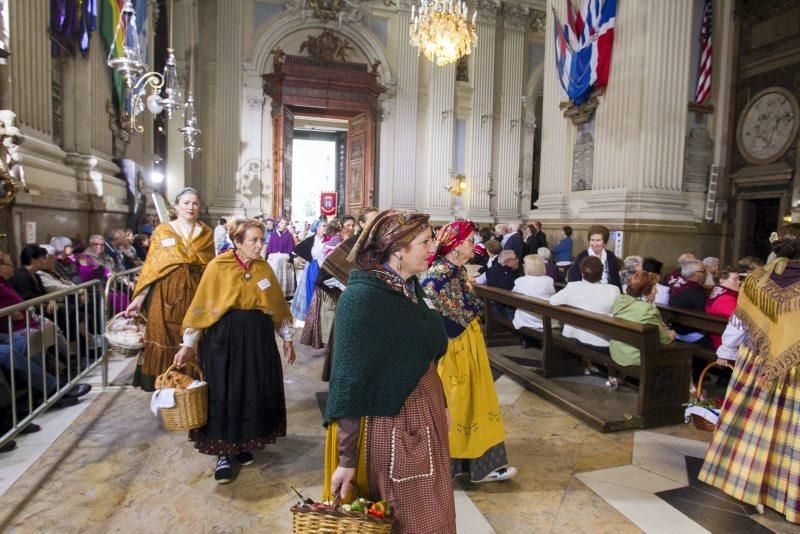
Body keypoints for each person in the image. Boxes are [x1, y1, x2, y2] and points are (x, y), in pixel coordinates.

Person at [325, 210, 456, 533]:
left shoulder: (409, 288)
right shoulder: (362, 299)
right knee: (409, 519)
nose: (432, 248)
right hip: (394, 422)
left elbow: (429, 347)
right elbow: (349, 383)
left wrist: (442, 405)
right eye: (425, 242)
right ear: (398, 249)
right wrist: (347, 458)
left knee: (434, 511)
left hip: (425, 413)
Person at [174, 218, 295, 484]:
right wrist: (188, 344)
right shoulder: (218, 266)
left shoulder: (263, 268)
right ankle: (223, 453)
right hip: (224, 339)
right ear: (237, 242)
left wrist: (286, 338)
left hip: (258, 339)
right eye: (253, 240)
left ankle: (242, 444)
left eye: (261, 239)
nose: (259, 245)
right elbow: (202, 306)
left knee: (252, 388)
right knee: (225, 390)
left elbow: (276, 305)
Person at [699, 224, 800, 524]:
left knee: (754, 425)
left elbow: (738, 324)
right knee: (789, 435)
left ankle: (746, 482)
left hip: (756, 364)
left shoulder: (756, 279)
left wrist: (725, 353)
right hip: (794, 372)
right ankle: (786, 495)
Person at [422, 221, 517, 484]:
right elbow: (438, 315)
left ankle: (481, 464)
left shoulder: (457, 270)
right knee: (459, 404)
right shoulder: (438, 274)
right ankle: (454, 466)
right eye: (467, 241)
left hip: (469, 344)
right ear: (454, 247)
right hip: (454, 350)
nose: (472, 245)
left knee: (478, 402)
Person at [125, 187, 215, 391]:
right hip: (164, 294)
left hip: (195, 292)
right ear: (176, 207)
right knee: (162, 336)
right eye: (186, 203)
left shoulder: (206, 234)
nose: (190, 207)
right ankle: (162, 384)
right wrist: (139, 298)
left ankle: (191, 384)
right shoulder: (162, 231)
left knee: (191, 334)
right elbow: (152, 267)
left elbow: (210, 267)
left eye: (195, 203)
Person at [608, 271, 675, 388]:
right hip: (636, 356)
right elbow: (664, 340)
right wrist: (671, 334)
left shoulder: (621, 300)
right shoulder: (648, 309)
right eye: (655, 288)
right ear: (646, 290)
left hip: (618, 350)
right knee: (681, 356)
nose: (657, 291)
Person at [550, 256, 620, 355]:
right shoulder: (613, 290)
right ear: (602, 272)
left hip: (576, 337)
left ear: (582, 273)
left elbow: (552, 301)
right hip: (603, 341)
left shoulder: (573, 286)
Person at [290, 219, 327, 321]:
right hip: (312, 268)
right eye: (323, 226)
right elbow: (296, 251)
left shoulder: (328, 239)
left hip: (325, 268)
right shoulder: (310, 240)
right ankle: (311, 313)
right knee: (310, 289)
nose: (325, 228)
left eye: (326, 225)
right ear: (317, 228)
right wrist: (305, 259)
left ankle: (321, 313)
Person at [567, 225, 622, 290]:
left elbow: (616, 279)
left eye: (598, 240)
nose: (594, 244)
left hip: (608, 293)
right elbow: (573, 280)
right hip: (587, 292)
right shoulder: (582, 257)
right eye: (592, 240)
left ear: (604, 242)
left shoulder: (610, 256)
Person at [512, 254, 556, 331]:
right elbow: (552, 295)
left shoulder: (519, 281)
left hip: (526, 317)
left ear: (526, 267)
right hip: (544, 318)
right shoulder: (549, 280)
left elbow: (514, 296)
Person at [705, 266, 740, 349]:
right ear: (722, 281)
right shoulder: (726, 299)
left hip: (719, 334)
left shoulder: (717, 293)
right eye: (735, 279)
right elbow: (741, 319)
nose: (739, 282)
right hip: (724, 341)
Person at [265, 217, 296, 298]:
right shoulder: (274, 234)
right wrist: (267, 256)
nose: (283, 225)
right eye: (282, 223)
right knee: (274, 276)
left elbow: (291, 247)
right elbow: (270, 246)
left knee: (284, 277)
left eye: (285, 223)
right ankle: (274, 293)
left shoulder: (288, 234)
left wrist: (291, 257)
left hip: (285, 259)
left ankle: (284, 294)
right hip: (274, 258)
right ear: (278, 224)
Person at [484, 250, 520, 320]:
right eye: (515, 258)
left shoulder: (491, 269)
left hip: (493, 306)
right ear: (507, 261)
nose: (518, 260)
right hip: (506, 310)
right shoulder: (511, 275)